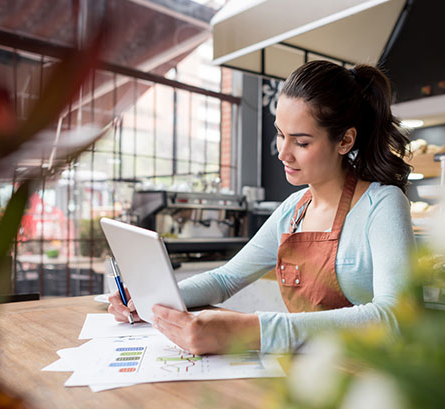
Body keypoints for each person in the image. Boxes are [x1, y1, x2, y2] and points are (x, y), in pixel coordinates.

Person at [109, 60, 416, 354]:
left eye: (302, 142)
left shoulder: (383, 204)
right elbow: (225, 279)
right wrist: (151, 301)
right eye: (280, 134)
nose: (283, 153)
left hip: (369, 378)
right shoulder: (293, 210)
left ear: (345, 141)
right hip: (312, 376)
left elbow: (393, 318)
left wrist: (249, 330)